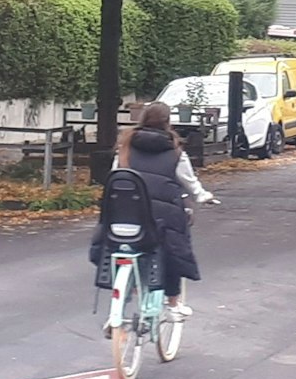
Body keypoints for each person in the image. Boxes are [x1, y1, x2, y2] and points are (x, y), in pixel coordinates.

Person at [88, 102, 218, 319]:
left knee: (121, 246)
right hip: (161, 218)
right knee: (173, 249)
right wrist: (204, 196)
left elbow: (115, 176)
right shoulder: (175, 151)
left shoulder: (125, 147)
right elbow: (190, 182)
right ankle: (174, 303)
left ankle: (131, 287)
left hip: (125, 214)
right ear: (168, 122)